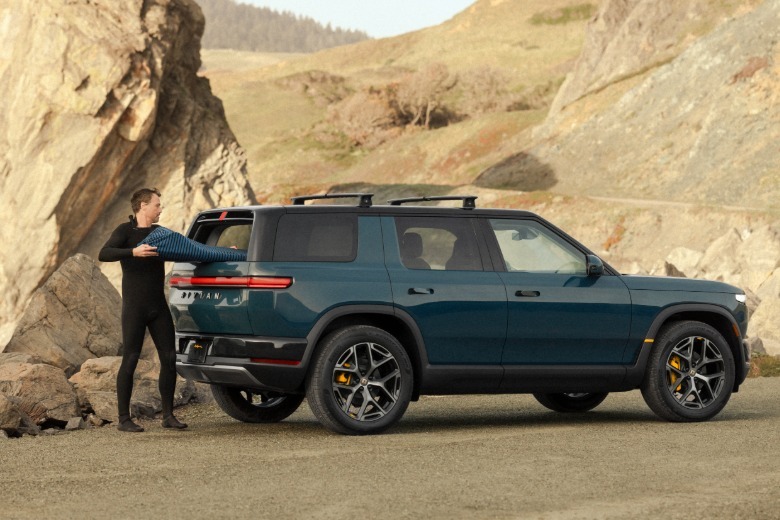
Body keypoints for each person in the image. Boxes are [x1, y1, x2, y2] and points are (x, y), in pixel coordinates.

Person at [99, 188, 187, 432]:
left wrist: (224, 252)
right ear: (143, 206)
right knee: (130, 360)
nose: (161, 209)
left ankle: (168, 416)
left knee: (170, 358)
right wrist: (133, 252)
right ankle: (124, 420)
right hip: (135, 308)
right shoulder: (124, 232)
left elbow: (188, 248)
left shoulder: (160, 234)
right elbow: (104, 253)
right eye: (157, 204)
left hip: (158, 307)